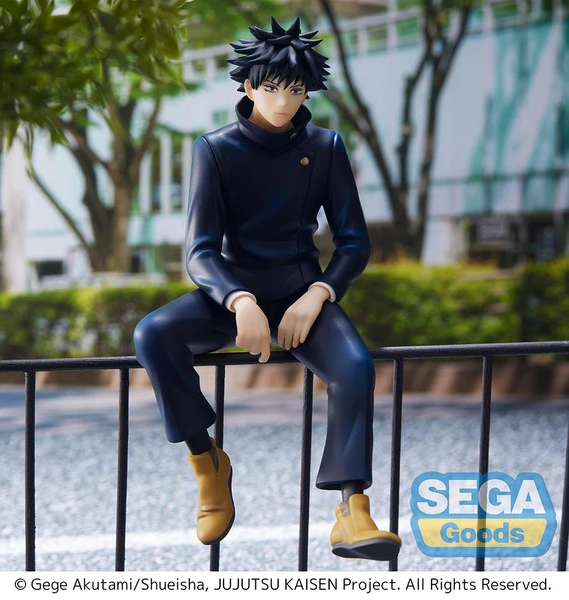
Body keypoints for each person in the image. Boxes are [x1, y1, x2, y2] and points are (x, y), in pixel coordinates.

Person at [134, 16, 401, 561]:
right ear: (249, 86)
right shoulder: (215, 149)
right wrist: (239, 300)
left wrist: (319, 293)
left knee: (354, 367)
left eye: (296, 90)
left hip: (303, 294)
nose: (284, 101)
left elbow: (353, 243)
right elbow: (200, 250)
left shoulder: (326, 146)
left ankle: (352, 509)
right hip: (235, 297)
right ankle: (207, 463)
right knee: (153, 334)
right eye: (273, 87)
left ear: (308, 91)